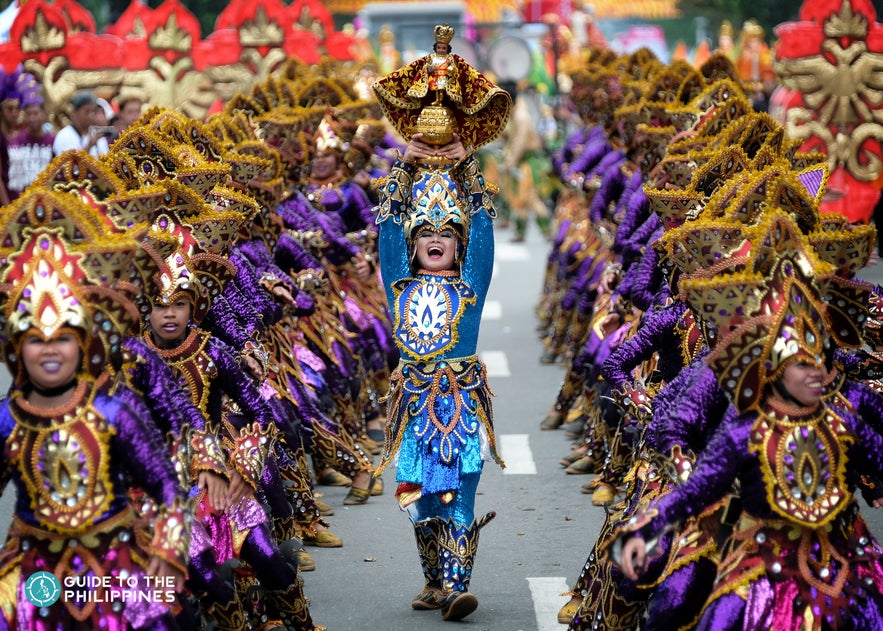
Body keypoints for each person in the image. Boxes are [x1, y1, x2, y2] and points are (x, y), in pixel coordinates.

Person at [0, 188, 192, 629]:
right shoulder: (6, 419)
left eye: (63, 337)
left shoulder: (114, 411)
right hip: (34, 575)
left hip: (119, 563)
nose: (50, 350)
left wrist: (166, 551)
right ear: (16, 349)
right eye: (36, 340)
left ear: (85, 345)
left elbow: (167, 490)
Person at [374, 133, 506, 622]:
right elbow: (387, 229)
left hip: (462, 408)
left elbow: (485, 235)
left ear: (459, 245)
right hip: (415, 407)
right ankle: (434, 581)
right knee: (421, 496)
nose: (434, 238)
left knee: (460, 492)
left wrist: (469, 168)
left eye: (447, 233)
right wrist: (402, 167)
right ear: (413, 246)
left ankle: (456, 586)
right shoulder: (399, 285)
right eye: (425, 232)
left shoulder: (470, 285)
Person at [6, 94, 54, 199]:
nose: (32, 118)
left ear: (44, 115)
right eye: (28, 114)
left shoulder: (53, 141)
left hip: (46, 202)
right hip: (17, 203)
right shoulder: (15, 141)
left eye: (36, 113)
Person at [53, 90, 110, 157]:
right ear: (74, 112)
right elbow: (69, 164)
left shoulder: (97, 135)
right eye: (87, 111)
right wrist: (89, 146)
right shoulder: (65, 135)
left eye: (93, 111)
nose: (91, 115)